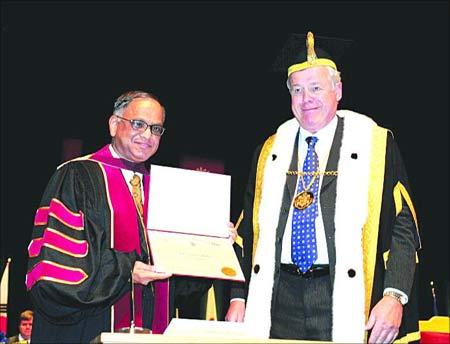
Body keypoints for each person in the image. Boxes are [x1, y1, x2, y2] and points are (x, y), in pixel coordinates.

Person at [225, 32, 421, 343]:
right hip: (279, 298)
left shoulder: (375, 143)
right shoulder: (270, 151)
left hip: (343, 294)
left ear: (338, 89)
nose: (307, 99)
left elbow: (403, 227)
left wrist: (395, 295)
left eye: (316, 88)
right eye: (298, 90)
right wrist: (238, 296)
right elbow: (248, 228)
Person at [26, 90, 234, 343]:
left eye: (156, 129)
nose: (147, 135)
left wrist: (212, 248)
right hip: (87, 330)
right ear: (114, 124)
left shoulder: (165, 191)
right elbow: (55, 270)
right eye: (138, 124)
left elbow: (178, 288)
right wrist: (126, 271)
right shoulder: (77, 176)